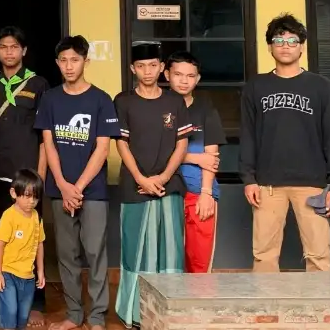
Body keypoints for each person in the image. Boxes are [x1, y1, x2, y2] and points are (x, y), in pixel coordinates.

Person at [240, 13, 330, 272]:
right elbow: (248, 135)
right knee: (263, 256)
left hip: (313, 183)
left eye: (292, 40)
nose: (285, 46)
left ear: (302, 46)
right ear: (270, 47)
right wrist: (249, 178)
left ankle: (321, 311)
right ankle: (265, 312)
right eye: (279, 40)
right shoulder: (256, 87)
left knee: (319, 256)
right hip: (267, 184)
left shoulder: (321, 87)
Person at [35, 35, 119, 330]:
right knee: (67, 256)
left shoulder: (101, 99)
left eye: (75, 60)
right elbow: (49, 145)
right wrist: (62, 185)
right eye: (63, 60)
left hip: (92, 192)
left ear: (86, 61)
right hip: (60, 191)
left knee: (95, 254)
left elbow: (103, 149)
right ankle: (74, 314)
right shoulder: (50, 99)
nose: (69, 66)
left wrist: (78, 187)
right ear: (57, 63)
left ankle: (96, 317)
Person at [0, 27, 51, 326]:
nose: (9, 52)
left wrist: (40, 179)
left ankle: (36, 302)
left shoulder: (39, 84)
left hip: (29, 183)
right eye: (3, 47)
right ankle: (2, 299)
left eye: (14, 47)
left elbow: (45, 136)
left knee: (32, 239)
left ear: (24, 51)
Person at [114, 43, 191, 329]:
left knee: (170, 251)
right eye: (141, 66)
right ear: (133, 69)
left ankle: (169, 314)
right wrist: (142, 179)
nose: (148, 71)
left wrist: (163, 177)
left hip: (168, 187)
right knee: (135, 250)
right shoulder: (123, 101)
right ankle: (134, 313)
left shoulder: (174, 102)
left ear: (162, 68)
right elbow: (121, 143)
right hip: (134, 188)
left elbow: (181, 143)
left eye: (153, 65)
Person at [165, 51, 224, 273]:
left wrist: (207, 193)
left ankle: (197, 308)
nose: (184, 80)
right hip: (166, 191)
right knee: (169, 262)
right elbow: (154, 152)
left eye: (190, 76)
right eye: (178, 74)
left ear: (197, 79)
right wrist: (194, 157)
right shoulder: (158, 108)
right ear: (167, 74)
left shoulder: (206, 110)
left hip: (200, 193)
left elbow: (212, 157)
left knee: (199, 262)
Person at [0, 169, 46, 330]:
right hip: (7, 272)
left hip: (28, 276)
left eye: (35, 197)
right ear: (14, 193)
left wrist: (41, 271)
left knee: (22, 318)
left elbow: (39, 244)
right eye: (28, 195)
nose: (32, 201)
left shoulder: (37, 216)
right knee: (10, 312)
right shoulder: (9, 216)